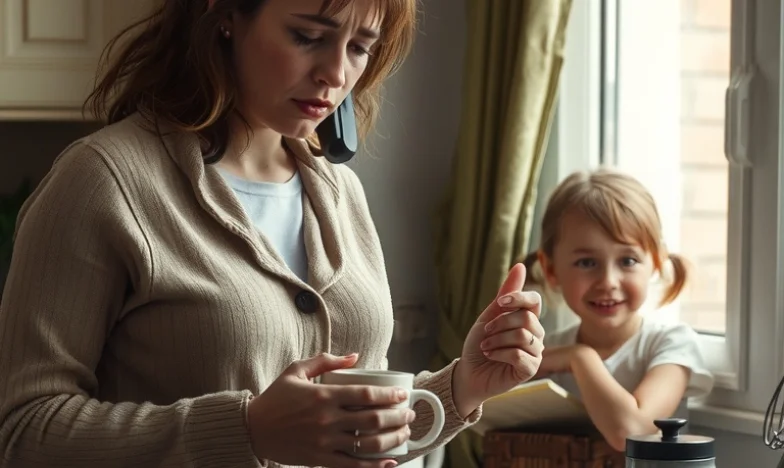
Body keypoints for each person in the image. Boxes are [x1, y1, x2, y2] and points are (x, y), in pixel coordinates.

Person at [0, 1, 546, 467]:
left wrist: (461, 386)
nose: (336, 73)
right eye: (307, 36)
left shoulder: (341, 193)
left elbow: (347, 429)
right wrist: (246, 430)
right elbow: (24, 432)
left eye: (360, 46)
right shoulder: (102, 182)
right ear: (226, 16)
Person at [528, 168, 714, 452]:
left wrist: (581, 357)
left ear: (655, 262)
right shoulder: (548, 350)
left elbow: (631, 431)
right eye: (587, 263)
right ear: (551, 269)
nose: (608, 282)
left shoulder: (672, 345)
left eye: (627, 261)